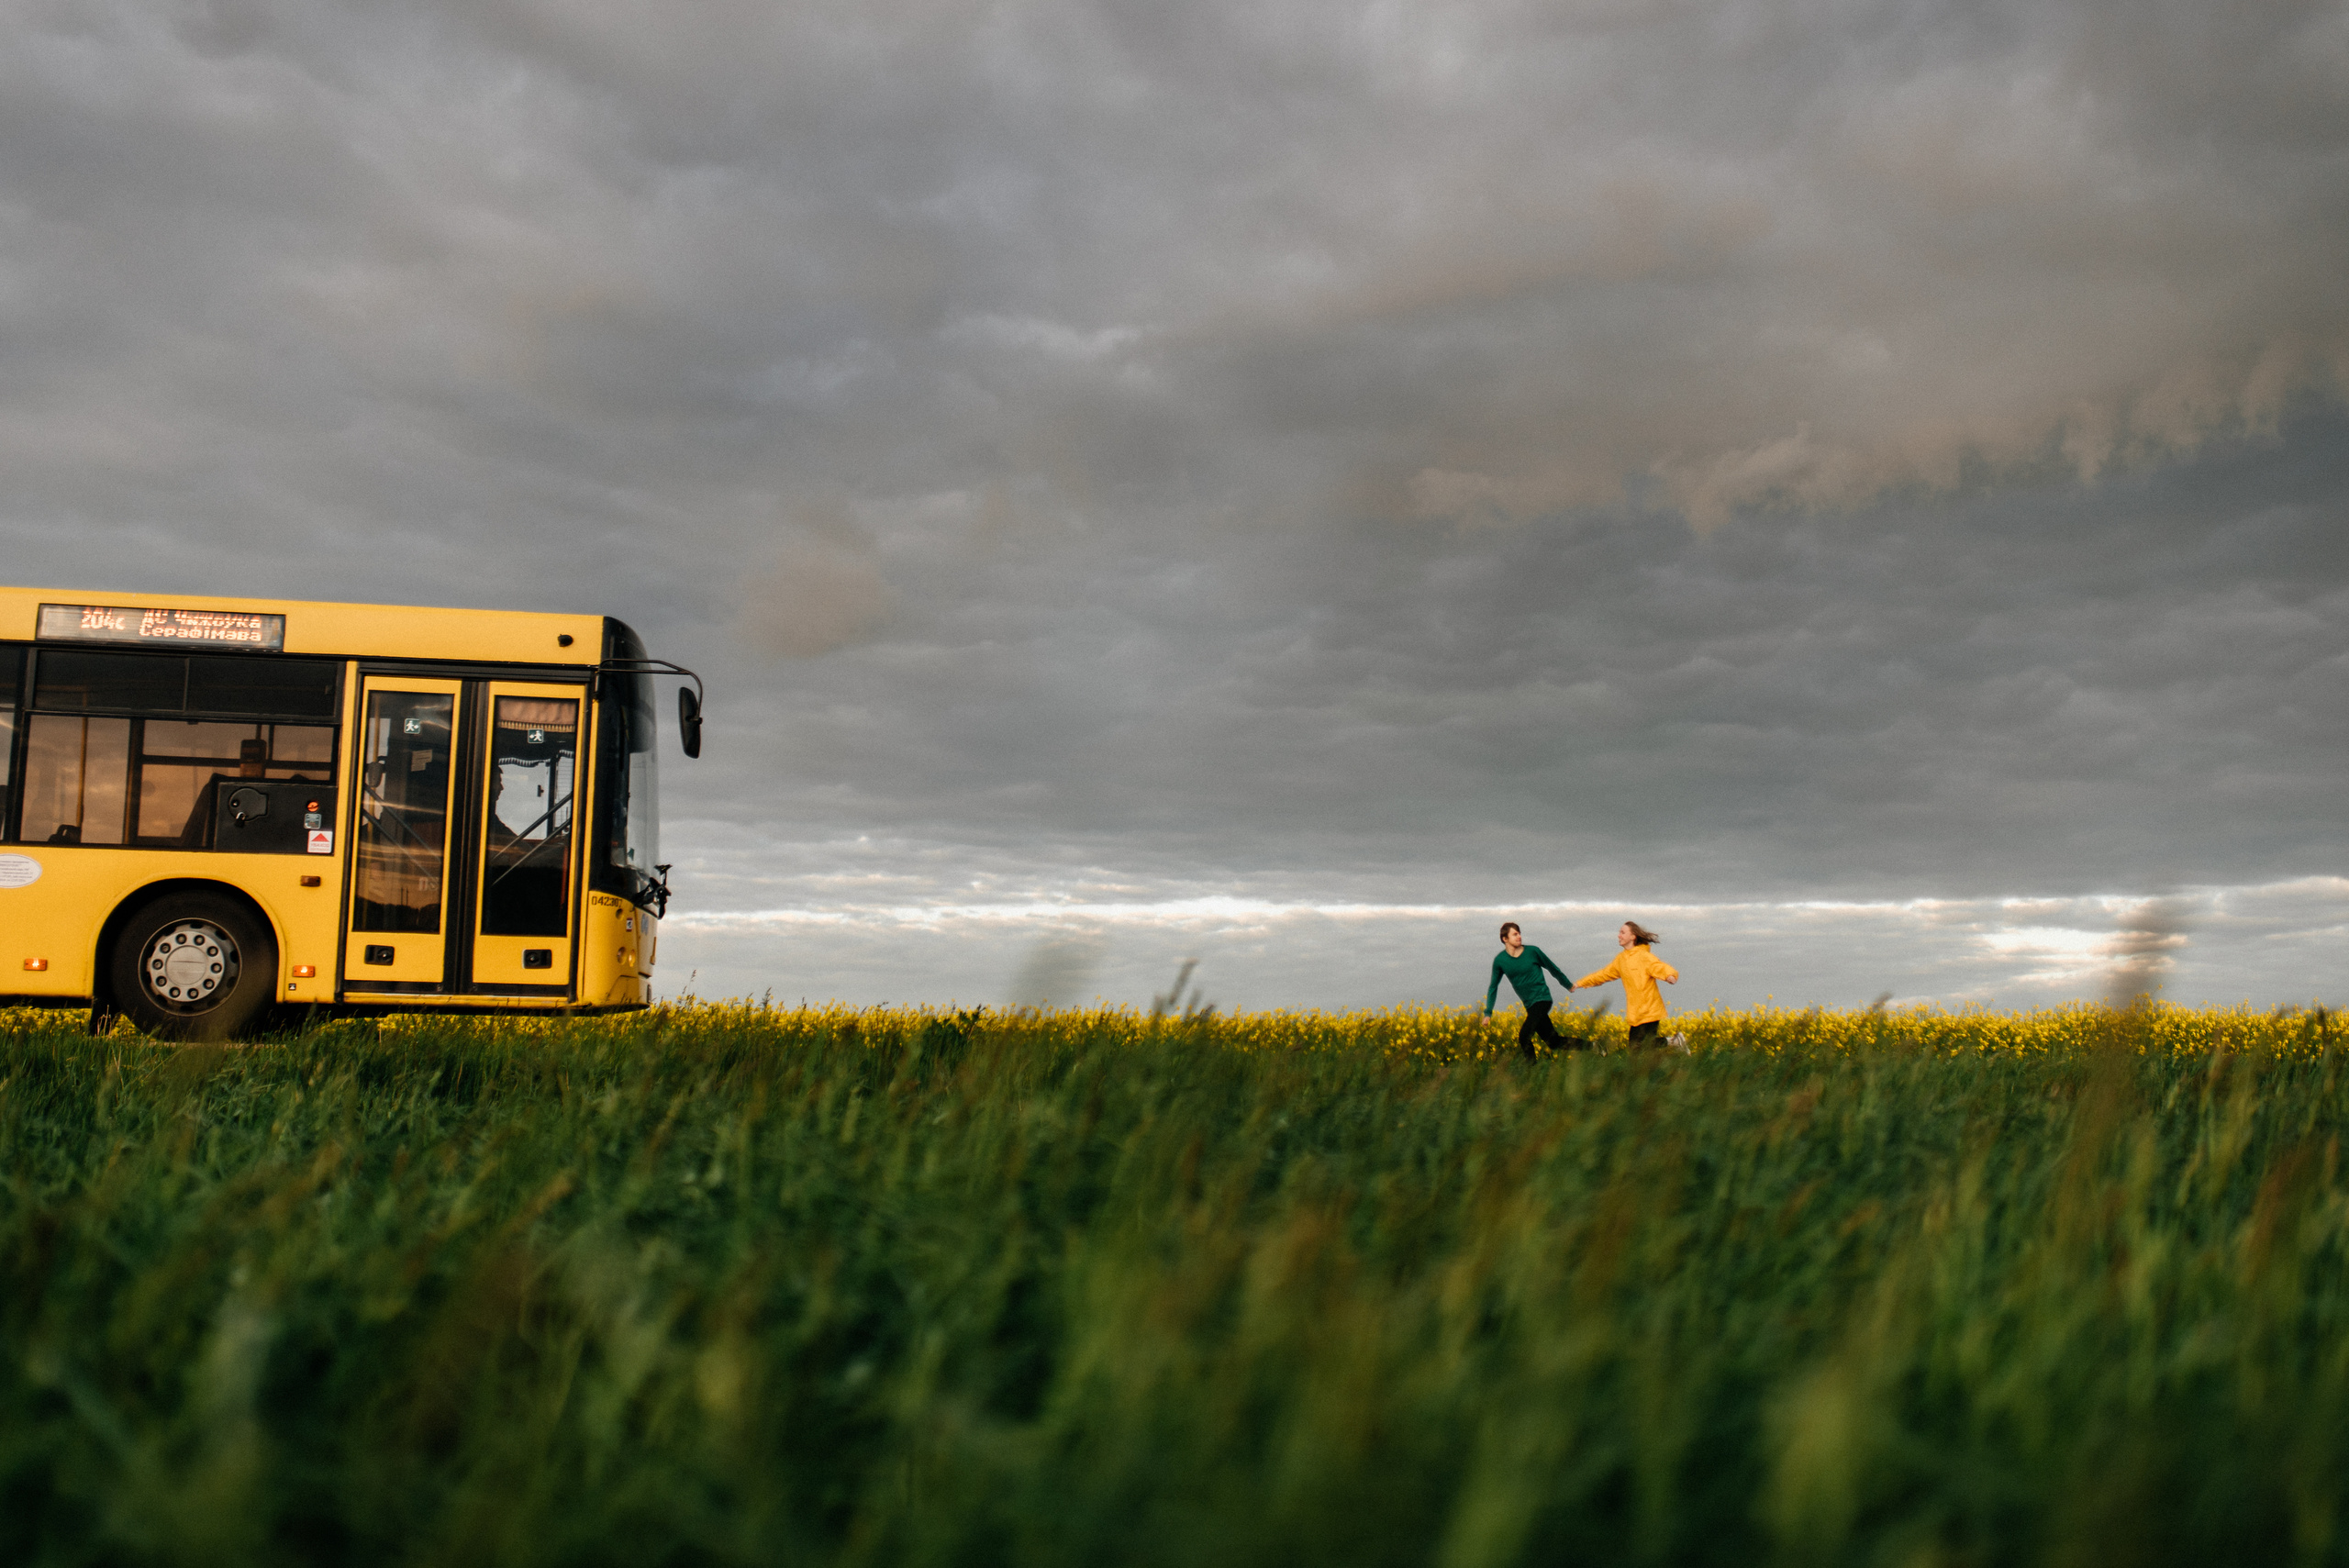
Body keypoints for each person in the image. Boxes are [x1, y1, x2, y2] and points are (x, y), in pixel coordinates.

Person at [1483, 922, 1584, 1060]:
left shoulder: (1533, 952)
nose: (1519, 936)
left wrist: (1568, 984)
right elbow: (1493, 987)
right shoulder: (1500, 961)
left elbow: (1552, 968)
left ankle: (1531, 1070)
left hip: (1542, 999)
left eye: (1519, 933)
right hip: (1530, 1005)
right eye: (1515, 934)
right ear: (1505, 939)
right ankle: (1594, 1046)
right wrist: (1488, 1013)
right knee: (1554, 1042)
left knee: (1524, 1037)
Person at [1576, 921, 1681, 1049]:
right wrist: (1580, 983)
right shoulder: (1621, 960)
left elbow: (1658, 966)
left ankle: (1674, 1042)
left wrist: (1670, 975)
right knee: (1639, 1048)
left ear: (1632, 936)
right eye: (1619, 932)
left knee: (1638, 1047)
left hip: (1650, 1009)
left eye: (1623, 932)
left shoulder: (1643, 956)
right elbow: (1603, 975)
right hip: (1636, 1012)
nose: (1619, 935)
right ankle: (1674, 1041)